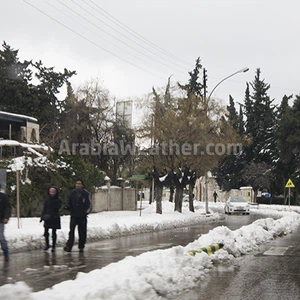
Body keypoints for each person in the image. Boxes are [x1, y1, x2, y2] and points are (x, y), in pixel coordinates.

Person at [64, 179, 91, 253]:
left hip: (82, 216)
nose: (78, 185)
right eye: (77, 183)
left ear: (82, 185)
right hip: (74, 215)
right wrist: (68, 207)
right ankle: (69, 246)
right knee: (71, 231)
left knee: (82, 232)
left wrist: (85, 212)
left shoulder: (85, 193)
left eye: (79, 183)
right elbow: (69, 202)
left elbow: (89, 205)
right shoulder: (72, 193)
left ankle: (81, 245)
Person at [40, 186, 62, 252]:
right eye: (51, 192)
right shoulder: (47, 200)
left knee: (54, 232)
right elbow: (44, 208)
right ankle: (47, 244)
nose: (52, 193)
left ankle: (54, 246)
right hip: (47, 217)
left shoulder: (58, 200)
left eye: (53, 192)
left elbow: (58, 208)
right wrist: (42, 217)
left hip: (54, 218)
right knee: (46, 232)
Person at [0, 184, 11, 262]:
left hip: (1, 219)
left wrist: (6, 217)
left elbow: (7, 207)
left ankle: (6, 252)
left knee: (1, 237)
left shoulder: (3, 197)